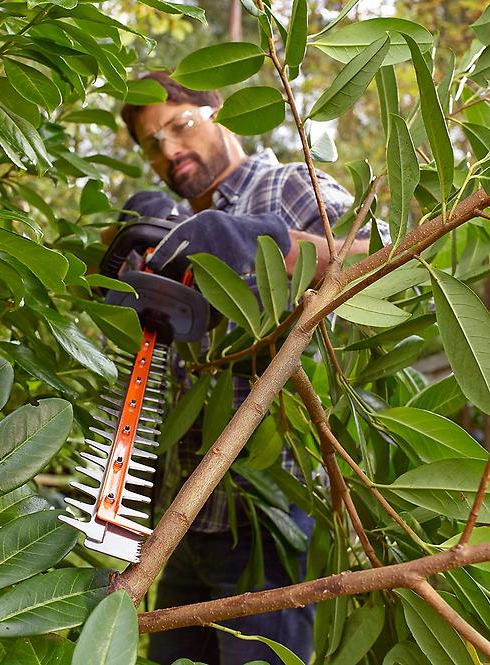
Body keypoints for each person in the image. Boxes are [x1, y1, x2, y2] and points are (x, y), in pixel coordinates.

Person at [117, 71, 377, 665]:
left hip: (268, 517)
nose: (169, 150)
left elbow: (382, 260)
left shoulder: (287, 189)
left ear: (222, 115)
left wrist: (268, 245)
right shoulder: (172, 233)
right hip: (182, 523)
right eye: (151, 143)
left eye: (179, 126)